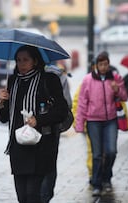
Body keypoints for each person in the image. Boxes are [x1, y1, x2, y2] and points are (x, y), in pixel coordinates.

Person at [0, 45, 68, 203]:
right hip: (18, 146)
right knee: (22, 197)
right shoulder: (13, 81)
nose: (21, 64)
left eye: (25, 60)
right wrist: (2, 102)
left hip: (40, 146)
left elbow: (62, 111)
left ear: (35, 61)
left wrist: (38, 120)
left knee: (33, 195)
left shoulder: (48, 80)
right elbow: (3, 118)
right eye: (18, 60)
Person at [74, 52, 128, 196]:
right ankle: (97, 183)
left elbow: (124, 97)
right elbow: (82, 103)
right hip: (93, 121)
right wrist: (79, 124)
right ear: (96, 66)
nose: (104, 67)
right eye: (101, 64)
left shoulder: (115, 78)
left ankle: (106, 177)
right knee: (97, 154)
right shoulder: (88, 80)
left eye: (106, 64)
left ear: (109, 64)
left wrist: (118, 90)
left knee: (111, 151)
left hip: (110, 120)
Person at [40, 64, 72, 203]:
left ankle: (39, 195)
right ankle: (45, 196)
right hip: (53, 128)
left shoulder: (24, 76)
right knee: (49, 162)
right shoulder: (59, 75)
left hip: (32, 128)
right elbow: (67, 104)